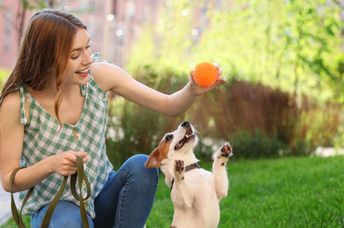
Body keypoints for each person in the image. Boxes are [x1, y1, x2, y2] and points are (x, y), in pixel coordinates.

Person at [0, 9, 224, 228]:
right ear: (47, 58)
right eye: (75, 55)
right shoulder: (18, 103)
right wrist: (50, 164)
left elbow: (169, 105)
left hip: (102, 198)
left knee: (141, 166)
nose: (87, 59)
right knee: (66, 221)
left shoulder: (99, 76)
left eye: (87, 47)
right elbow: (9, 179)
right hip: (56, 208)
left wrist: (192, 90)